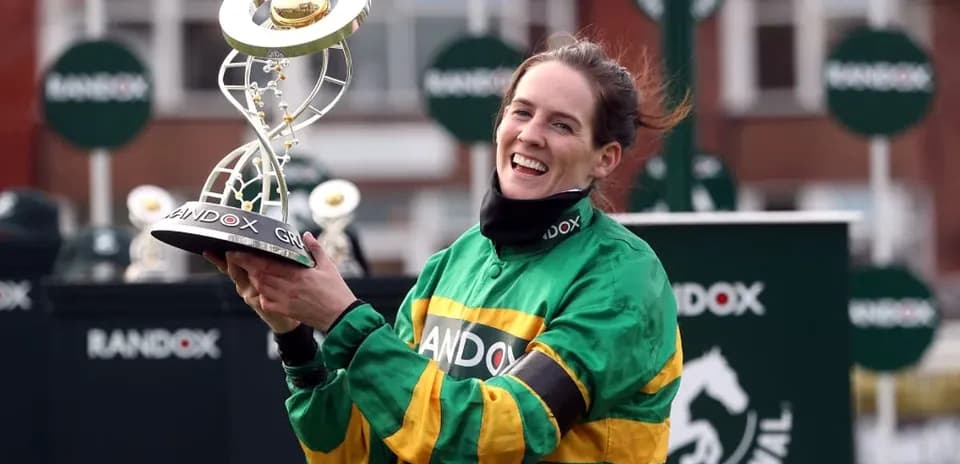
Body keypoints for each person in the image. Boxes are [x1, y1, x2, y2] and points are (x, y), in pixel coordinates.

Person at [206, 37, 687, 464]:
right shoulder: (456, 260)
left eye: (562, 125)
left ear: (604, 158)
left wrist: (341, 318)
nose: (531, 134)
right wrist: (295, 340)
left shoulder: (621, 278)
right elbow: (365, 449)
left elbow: (498, 436)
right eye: (521, 111)